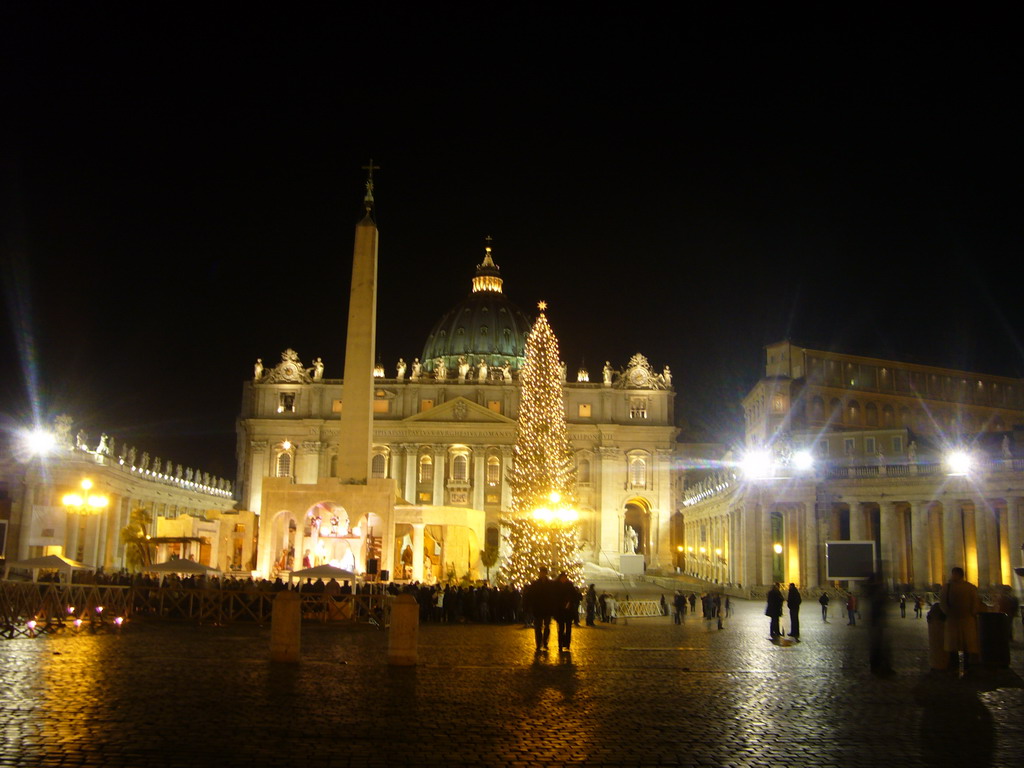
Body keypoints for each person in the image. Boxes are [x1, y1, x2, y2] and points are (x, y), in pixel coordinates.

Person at [939, 566, 981, 673]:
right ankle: (962, 665)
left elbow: (943, 603)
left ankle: (956, 665)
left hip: (957, 619)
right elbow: (975, 603)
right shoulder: (969, 587)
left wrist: (947, 613)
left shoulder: (948, 587)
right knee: (962, 644)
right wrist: (972, 613)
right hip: (963, 619)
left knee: (957, 644)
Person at [525, 566, 556, 652]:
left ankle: (545, 642)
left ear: (546, 573)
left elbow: (553, 596)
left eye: (544, 572)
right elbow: (530, 596)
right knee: (538, 627)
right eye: (541, 572)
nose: (542, 574)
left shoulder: (550, 584)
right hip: (538, 609)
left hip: (547, 609)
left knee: (546, 627)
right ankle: (538, 644)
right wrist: (529, 606)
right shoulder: (535, 584)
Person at [553, 571, 582, 652]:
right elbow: (554, 598)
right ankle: (560, 644)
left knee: (568, 629)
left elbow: (575, 596)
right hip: (560, 611)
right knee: (561, 629)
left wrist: (570, 602)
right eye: (562, 577)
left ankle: (567, 644)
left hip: (569, 611)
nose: (563, 579)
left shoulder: (569, 585)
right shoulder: (556, 586)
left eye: (564, 577)